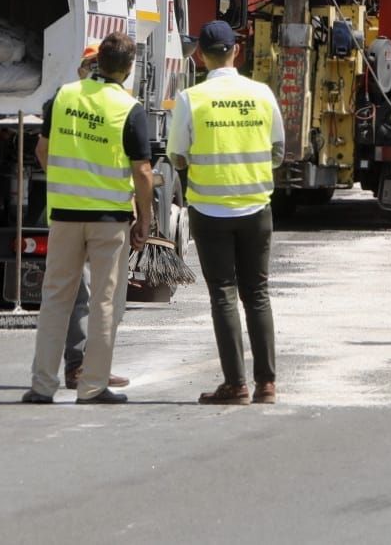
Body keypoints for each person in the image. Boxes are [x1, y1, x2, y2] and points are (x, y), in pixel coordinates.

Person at [23, 32, 153, 405]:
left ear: (98, 63)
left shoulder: (64, 97)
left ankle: (42, 385)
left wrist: (64, 183)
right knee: (105, 301)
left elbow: (42, 150)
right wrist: (144, 217)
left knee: (55, 299)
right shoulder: (129, 108)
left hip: (64, 215)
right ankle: (93, 385)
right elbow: (142, 171)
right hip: (108, 220)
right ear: (128, 69)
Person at [167, 20, 285, 406]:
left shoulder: (192, 98)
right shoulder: (262, 94)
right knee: (259, 294)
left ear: (199, 55)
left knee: (223, 294)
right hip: (256, 208)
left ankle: (236, 385)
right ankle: (267, 384)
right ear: (237, 51)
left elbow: (177, 155)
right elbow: (279, 150)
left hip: (210, 209)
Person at [61, 44, 128, 392]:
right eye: (88, 65)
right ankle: (80, 367)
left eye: (95, 65)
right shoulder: (73, 102)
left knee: (102, 293)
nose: (93, 72)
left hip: (97, 209)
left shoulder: (108, 103)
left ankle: (92, 366)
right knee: (84, 291)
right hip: (83, 210)